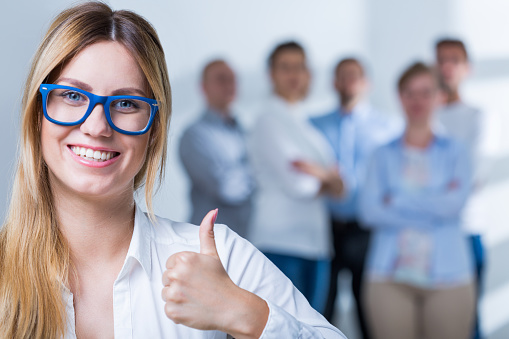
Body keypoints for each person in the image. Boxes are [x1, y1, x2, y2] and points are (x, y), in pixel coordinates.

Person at [0, 3, 346, 338]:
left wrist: (244, 313)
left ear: (154, 131)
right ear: (37, 115)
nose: (97, 126)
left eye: (125, 103)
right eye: (73, 96)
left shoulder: (219, 259)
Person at [360, 62, 475, 339]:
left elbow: (454, 206)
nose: (417, 101)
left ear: (439, 96)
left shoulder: (457, 151)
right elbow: (369, 211)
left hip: (450, 276)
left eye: (426, 92)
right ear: (399, 97)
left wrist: (395, 198)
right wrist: (433, 202)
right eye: (409, 93)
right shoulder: (381, 154)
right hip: (388, 276)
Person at [248, 41, 344, 314]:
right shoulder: (268, 119)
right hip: (280, 243)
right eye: (285, 67)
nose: (293, 75)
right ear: (271, 75)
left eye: (299, 67)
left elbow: (341, 187)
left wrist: (321, 174)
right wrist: (328, 177)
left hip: (315, 244)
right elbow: (300, 184)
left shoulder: (304, 122)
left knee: (312, 329)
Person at [308, 58, 396, 337]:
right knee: (320, 312)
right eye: (342, 76)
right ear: (333, 82)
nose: (348, 82)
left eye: (354, 76)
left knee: (370, 313)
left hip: (367, 232)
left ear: (366, 82)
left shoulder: (388, 127)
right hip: (325, 230)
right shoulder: (313, 125)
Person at [435, 38, 485, 339]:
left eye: (454, 59)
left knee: (468, 322)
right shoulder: (422, 115)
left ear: (468, 68)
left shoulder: (477, 117)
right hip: (425, 235)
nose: (446, 66)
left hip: (466, 231)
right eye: (440, 59)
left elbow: (471, 177)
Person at [179, 60, 255, 238]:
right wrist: (259, 174)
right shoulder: (194, 135)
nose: (229, 85)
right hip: (211, 240)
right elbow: (226, 189)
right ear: (204, 87)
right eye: (221, 79)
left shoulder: (244, 131)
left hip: (246, 239)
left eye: (233, 79)